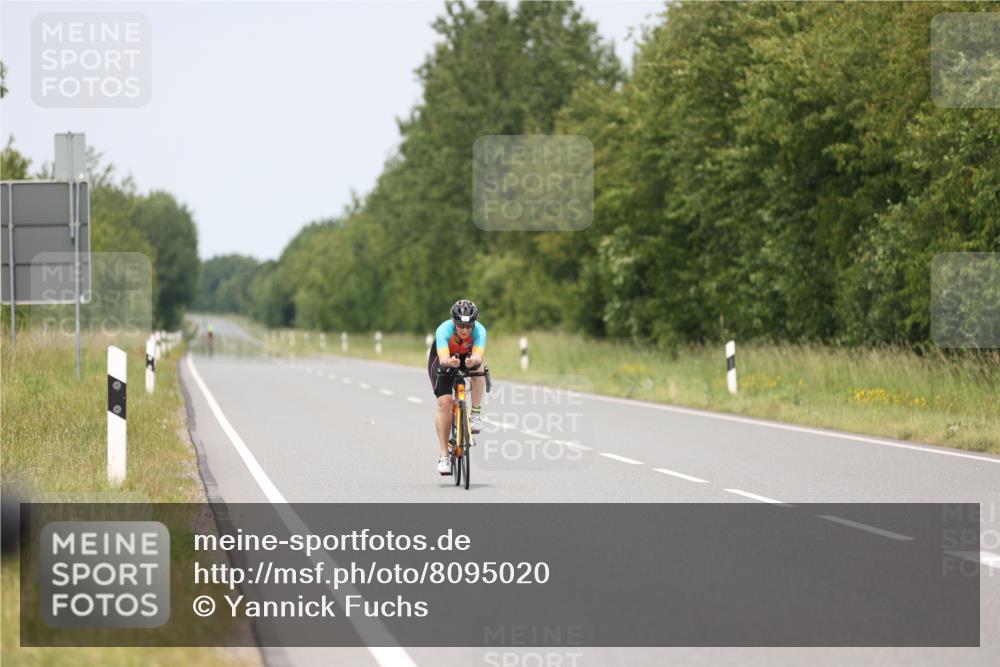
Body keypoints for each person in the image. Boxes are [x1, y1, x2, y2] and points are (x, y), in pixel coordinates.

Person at [428, 299, 487, 475]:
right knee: (445, 403)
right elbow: (443, 356)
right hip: (443, 358)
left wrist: (474, 361)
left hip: (466, 359)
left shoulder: (480, 331)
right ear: (454, 322)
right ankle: (444, 455)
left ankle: (475, 415)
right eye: (461, 325)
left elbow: (478, 354)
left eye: (469, 326)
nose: (465, 330)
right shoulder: (443, 330)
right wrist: (449, 362)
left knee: (480, 369)